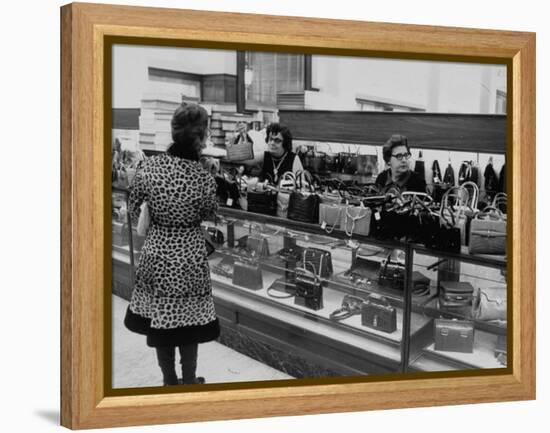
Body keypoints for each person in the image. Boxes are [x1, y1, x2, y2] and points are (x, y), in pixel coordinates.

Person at [124, 103, 220, 386]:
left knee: (161, 318)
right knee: (188, 323)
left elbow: (132, 207)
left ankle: (169, 381)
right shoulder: (203, 176)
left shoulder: (149, 166)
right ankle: (189, 382)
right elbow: (210, 213)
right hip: (189, 253)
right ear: (201, 137)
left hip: (157, 251)